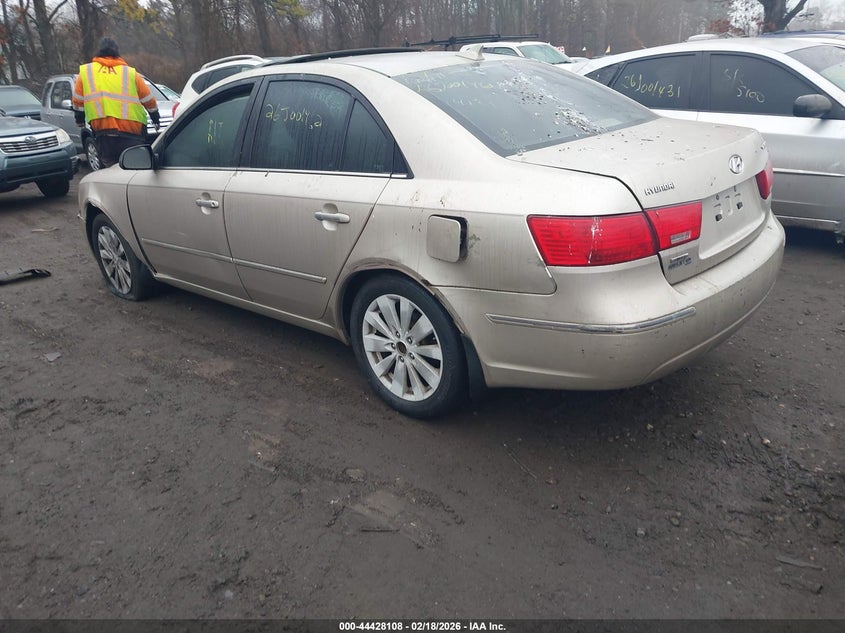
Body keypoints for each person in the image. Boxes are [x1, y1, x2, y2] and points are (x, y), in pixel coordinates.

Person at [72, 37, 160, 168]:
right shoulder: (130, 72)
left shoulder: (86, 72)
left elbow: (78, 102)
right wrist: (155, 118)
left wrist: (79, 120)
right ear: (117, 53)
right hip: (133, 132)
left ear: (99, 51)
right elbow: (148, 99)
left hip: (104, 133)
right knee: (136, 170)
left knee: (112, 170)